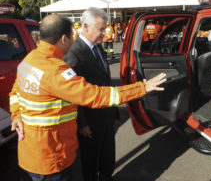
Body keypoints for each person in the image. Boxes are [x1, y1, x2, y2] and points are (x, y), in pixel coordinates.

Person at [9, 14, 166, 181]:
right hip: (52, 156)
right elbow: (95, 96)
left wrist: (16, 115)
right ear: (64, 38)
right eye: (72, 35)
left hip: (33, 152)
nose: (73, 39)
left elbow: (15, 93)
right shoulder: (54, 71)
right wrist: (142, 87)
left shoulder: (30, 60)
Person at [63, 7, 116, 181]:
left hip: (106, 116)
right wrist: (82, 124)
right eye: (101, 29)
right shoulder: (74, 54)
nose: (104, 33)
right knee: (91, 165)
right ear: (86, 26)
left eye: (105, 28)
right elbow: (71, 94)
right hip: (90, 123)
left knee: (108, 161)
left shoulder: (98, 48)